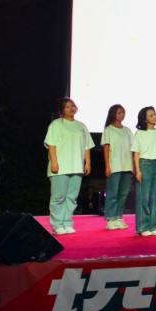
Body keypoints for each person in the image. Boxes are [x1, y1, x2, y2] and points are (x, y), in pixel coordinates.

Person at [44, 97, 94, 235]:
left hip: (76, 166)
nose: (71, 108)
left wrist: (88, 162)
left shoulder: (81, 126)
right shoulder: (56, 124)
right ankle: (57, 224)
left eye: (72, 105)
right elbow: (51, 145)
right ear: (62, 110)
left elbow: (87, 146)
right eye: (67, 106)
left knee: (71, 197)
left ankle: (67, 223)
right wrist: (54, 162)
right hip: (60, 167)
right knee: (58, 197)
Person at [132, 106, 156, 236]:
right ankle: (143, 227)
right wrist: (137, 170)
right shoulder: (139, 133)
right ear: (145, 119)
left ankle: (153, 226)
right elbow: (136, 153)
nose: (155, 117)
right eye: (151, 115)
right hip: (145, 164)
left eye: (155, 114)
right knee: (144, 197)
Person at [101, 104, 134, 230]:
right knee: (112, 193)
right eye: (119, 112)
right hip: (114, 166)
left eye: (123, 112)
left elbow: (133, 149)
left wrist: (134, 166)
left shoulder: (127, 131)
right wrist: (107, 166)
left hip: (127, 166)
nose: (122, 115)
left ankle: (119, 217)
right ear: (113, 114)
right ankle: (110, 218)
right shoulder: (108, 130)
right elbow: (106, 149)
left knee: (123, 194)